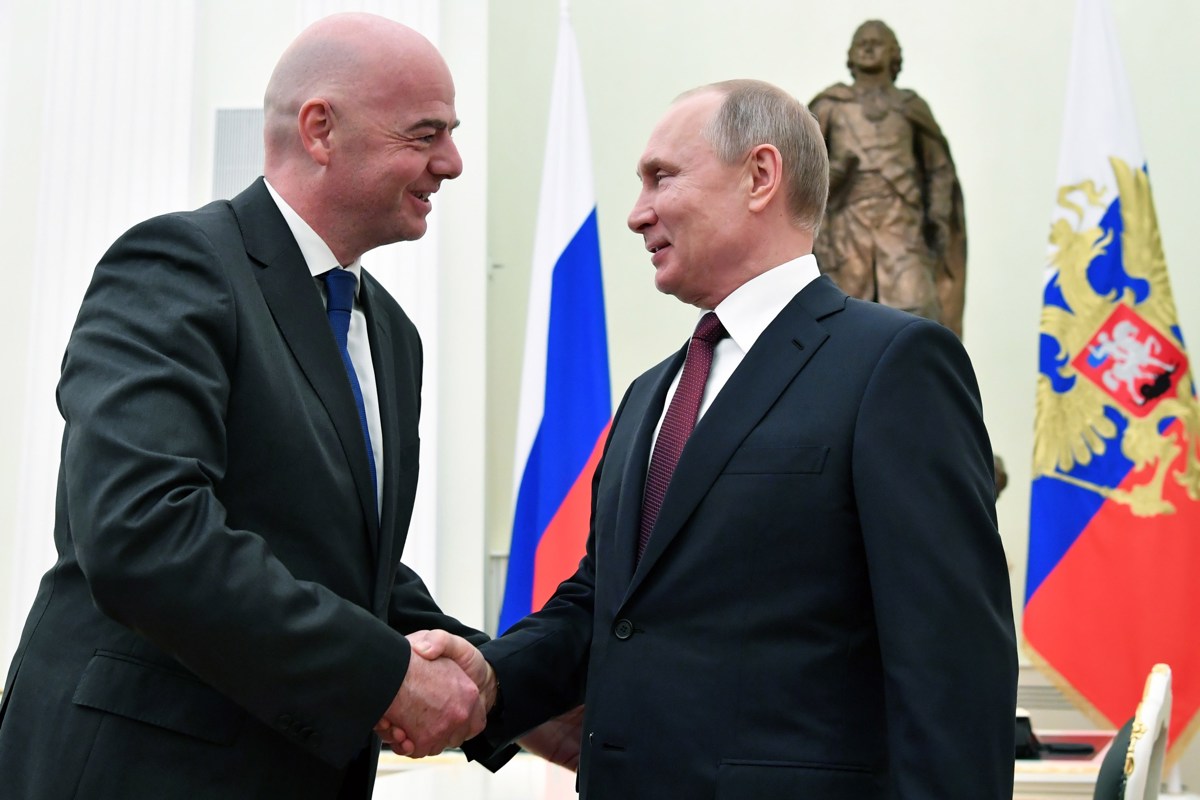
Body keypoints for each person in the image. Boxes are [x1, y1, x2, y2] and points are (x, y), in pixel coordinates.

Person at [441, 79, 1016, 798]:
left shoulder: (893, 365)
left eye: (661, 177)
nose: (636, 213)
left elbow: (951, 663)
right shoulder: (649, 395)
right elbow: (607, 605)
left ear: (760, 176)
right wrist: (490, 677)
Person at [0, 13, 498, 799]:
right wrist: (388, 677)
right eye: (425, 134)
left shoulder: (391, 335)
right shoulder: (178, 265)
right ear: (321, 130)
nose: (452, 163)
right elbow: (144, 531)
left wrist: (500, 681)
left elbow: (341, 566)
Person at [810, 20, 967, 337]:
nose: (868, 47)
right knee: (842, 320)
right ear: (851, 55)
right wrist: (836, 172)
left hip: (902, 227)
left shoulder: (910, 107)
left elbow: (938, 169)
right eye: (861, 42)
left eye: (877, 42)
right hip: (845, 232)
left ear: (894, 54)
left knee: (919, 312)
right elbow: (803, 168)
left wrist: (937, 216)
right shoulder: (829, 105)